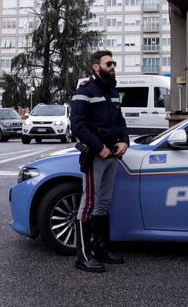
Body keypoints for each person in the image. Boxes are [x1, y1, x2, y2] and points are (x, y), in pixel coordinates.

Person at [70, 50, 129, 273]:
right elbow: (78, 126)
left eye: (113, 63)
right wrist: (100, 147)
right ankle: (83, 256)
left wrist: (124, 141)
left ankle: (101, 249)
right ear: (96, 67)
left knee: (103, 202)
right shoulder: (85, 92)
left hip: (112, 154)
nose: (113, 66)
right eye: (109, 63)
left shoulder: (112, 91)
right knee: (88, 204)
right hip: (95, 155)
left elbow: (120, 121)